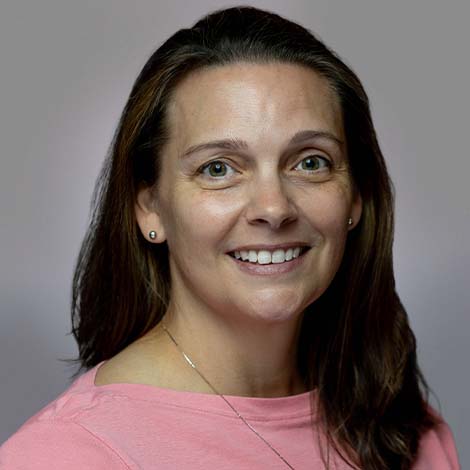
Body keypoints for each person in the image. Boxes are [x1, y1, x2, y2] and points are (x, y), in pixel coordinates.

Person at [0, 5, 460, 469]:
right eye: (218, 168)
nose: (274, 208)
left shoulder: (409, 435)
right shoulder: (61, 456)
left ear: (356, 197)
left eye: (310, 161)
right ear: (150, 207)